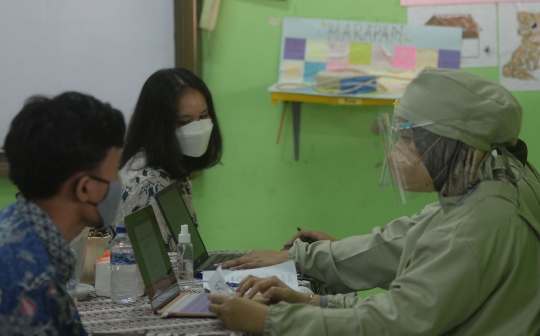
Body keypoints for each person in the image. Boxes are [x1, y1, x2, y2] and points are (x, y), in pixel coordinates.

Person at [208, 68, 540, 335]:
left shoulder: (477, 225)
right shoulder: (497, 176)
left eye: (409, 139)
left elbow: (393, 322)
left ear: (452, 143)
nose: (397, 154)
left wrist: (271, 322)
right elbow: (409, 239)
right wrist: (310, 295)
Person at [0, 92, 125, 335]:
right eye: (115, 172)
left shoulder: (15, 227)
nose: (118, 183)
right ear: (85, 188)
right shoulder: (30, 282)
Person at [114, 68, 223, 251]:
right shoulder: (146, 183)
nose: (199, 129)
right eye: (185, 122)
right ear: (158, 125)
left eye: (203, 116)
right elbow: (153, 274)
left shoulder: (175, 166)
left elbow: (185, 254)